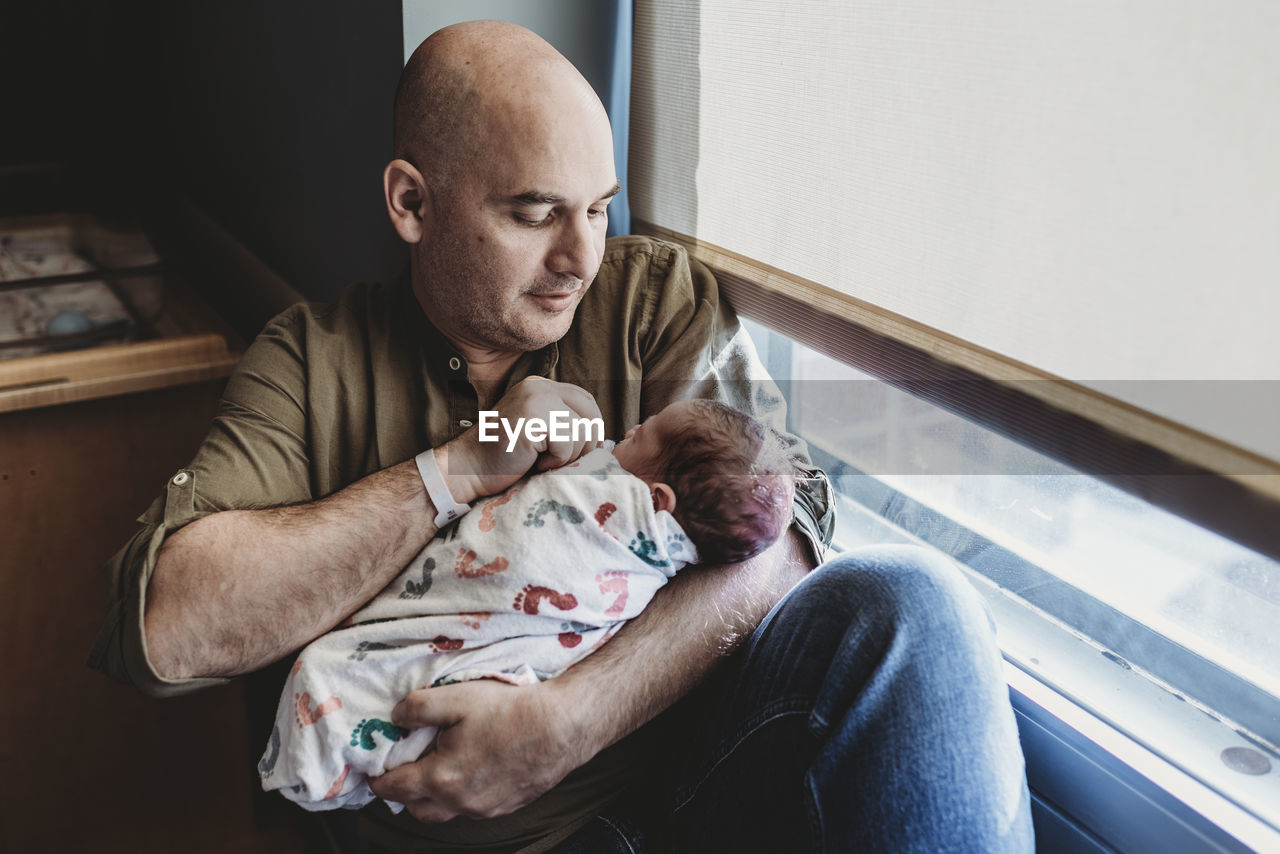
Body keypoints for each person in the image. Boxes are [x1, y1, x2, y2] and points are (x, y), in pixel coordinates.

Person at [90, 19, 1032, 853]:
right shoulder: (310, 362)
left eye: (598, 207)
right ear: (411, 203)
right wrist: (452, 472)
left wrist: (563, 726)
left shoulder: (647, 301)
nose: (581, 257)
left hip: (693, 783)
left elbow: (785, 532)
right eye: (536, 213)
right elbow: (169, 629)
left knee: (917, 603)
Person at [260, 399, 796, 813]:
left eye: (642, 434)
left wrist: (571, 718)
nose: (627, 433)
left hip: (626, 800)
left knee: (333, 675)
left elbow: (794, 520)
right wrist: (478, 447)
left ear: (657, 502)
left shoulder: (662, 308)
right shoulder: (312, 351)